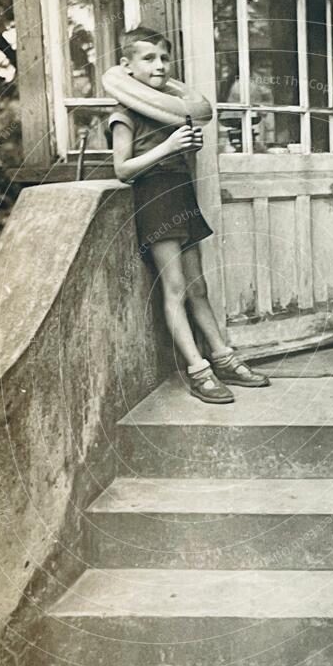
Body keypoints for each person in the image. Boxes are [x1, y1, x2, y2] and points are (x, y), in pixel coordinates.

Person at [109, 26, 270, 404]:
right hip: (155, 200)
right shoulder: (124, 113)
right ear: (126, 66)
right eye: (148, 58)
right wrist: (167, 145)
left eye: (164, 57)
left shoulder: (171, 108)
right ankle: (198, 370)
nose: (160, 65)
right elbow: (122, 169)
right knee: (176, 289)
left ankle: (224, 358)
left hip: (180, 196)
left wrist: (188, 148)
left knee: (199, 287)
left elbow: (183, 160)